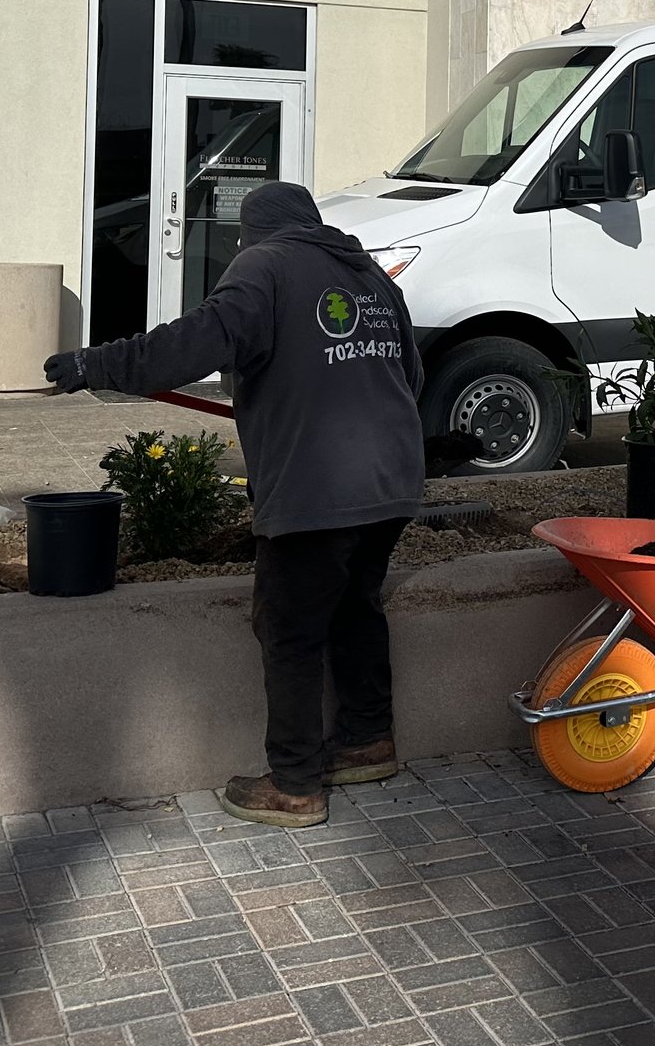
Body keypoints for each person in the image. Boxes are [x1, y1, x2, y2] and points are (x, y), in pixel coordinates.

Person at [44, 182, 425, 827]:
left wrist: (94, 364)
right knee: (354, 606)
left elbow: (198, 339)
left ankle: (295, 783)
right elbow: (410, 377)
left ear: (253, 232)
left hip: (318, 485)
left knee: (290, 628)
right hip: (392, 481)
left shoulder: (265, 265)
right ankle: (367, 739)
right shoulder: (370, 277)